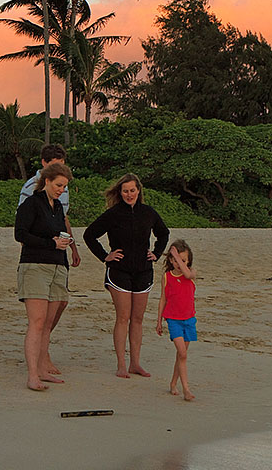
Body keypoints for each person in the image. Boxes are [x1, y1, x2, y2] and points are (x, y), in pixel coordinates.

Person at [84, 174, 169, 378]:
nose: (129, 194)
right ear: (120, 193)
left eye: (132, 190)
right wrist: (106, 256)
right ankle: (121, 364)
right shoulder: (113, 214)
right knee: (123, 317)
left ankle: (135, 364)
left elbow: (163, 233)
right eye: (125, 191)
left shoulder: (148, 213)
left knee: (137, 319)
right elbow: (89, 235)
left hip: (143, 271)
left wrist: (156, 254)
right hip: (119, 272)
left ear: (138, 191)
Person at [18, 144, 80, 375]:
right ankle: (35, 370)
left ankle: (42, 361)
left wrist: (71, 246)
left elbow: (63, 222)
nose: (62, 190)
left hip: (57, 261)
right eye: (58, 185)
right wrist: (47, 245)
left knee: (54, 312)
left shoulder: (58, 200)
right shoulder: (31, 197)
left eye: (64, 186)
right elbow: (21, 232)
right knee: (38, 319)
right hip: (36, 262)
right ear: (46, 177)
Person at [156, 240, 197, 402]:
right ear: (170, 260)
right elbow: (163, 299)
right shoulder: (167, 277)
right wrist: (159, 321)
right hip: (173, 319)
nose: (179, 264)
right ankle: (186, 389)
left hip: (189, 319)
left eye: (183, 260)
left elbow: (187, 274)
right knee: (182, 353)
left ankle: (173, 383)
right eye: (175, 260)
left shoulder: (191, 273)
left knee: (182, 355)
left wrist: (178, 258)